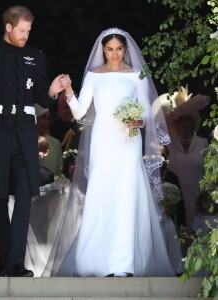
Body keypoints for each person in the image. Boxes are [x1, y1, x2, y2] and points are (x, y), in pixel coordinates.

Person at [43, 27, 175, 277]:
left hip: (128, 140)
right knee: (102, 193)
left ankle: (124, 264)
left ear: (125, 49)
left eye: (119, 49)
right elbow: (81, 113)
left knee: (127, 194)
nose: (115, 54)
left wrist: (139, 121)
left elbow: (147, 110)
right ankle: (96, 261)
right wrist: (69, 91)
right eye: (110, 49)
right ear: (103, 50)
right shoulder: (94, 75)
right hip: (103, 140)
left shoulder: (136, 74)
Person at [0, 5, 65, 277]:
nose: (25, 36)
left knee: (24, 197)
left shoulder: (35, 57)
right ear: (8, 27)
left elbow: (42, 97)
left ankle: (16, 264)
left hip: (24, 135)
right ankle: (5, 263)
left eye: (28, 31)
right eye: (21, 30)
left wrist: (52, 91)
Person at [159, 87, 209, 229]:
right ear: (175, 123)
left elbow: (208, 175)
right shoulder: (169, 145)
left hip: (198, 200)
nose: (185, 123)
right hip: (176, 201)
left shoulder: (202, 143)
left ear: (194, 121)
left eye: (188, 119)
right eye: (181, 120)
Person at [35, 104, 62, 176]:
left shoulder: (55, 143)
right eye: (43, 118)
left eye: (48, 119)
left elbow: (58, 170)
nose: (47, 122)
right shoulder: (25, 140)